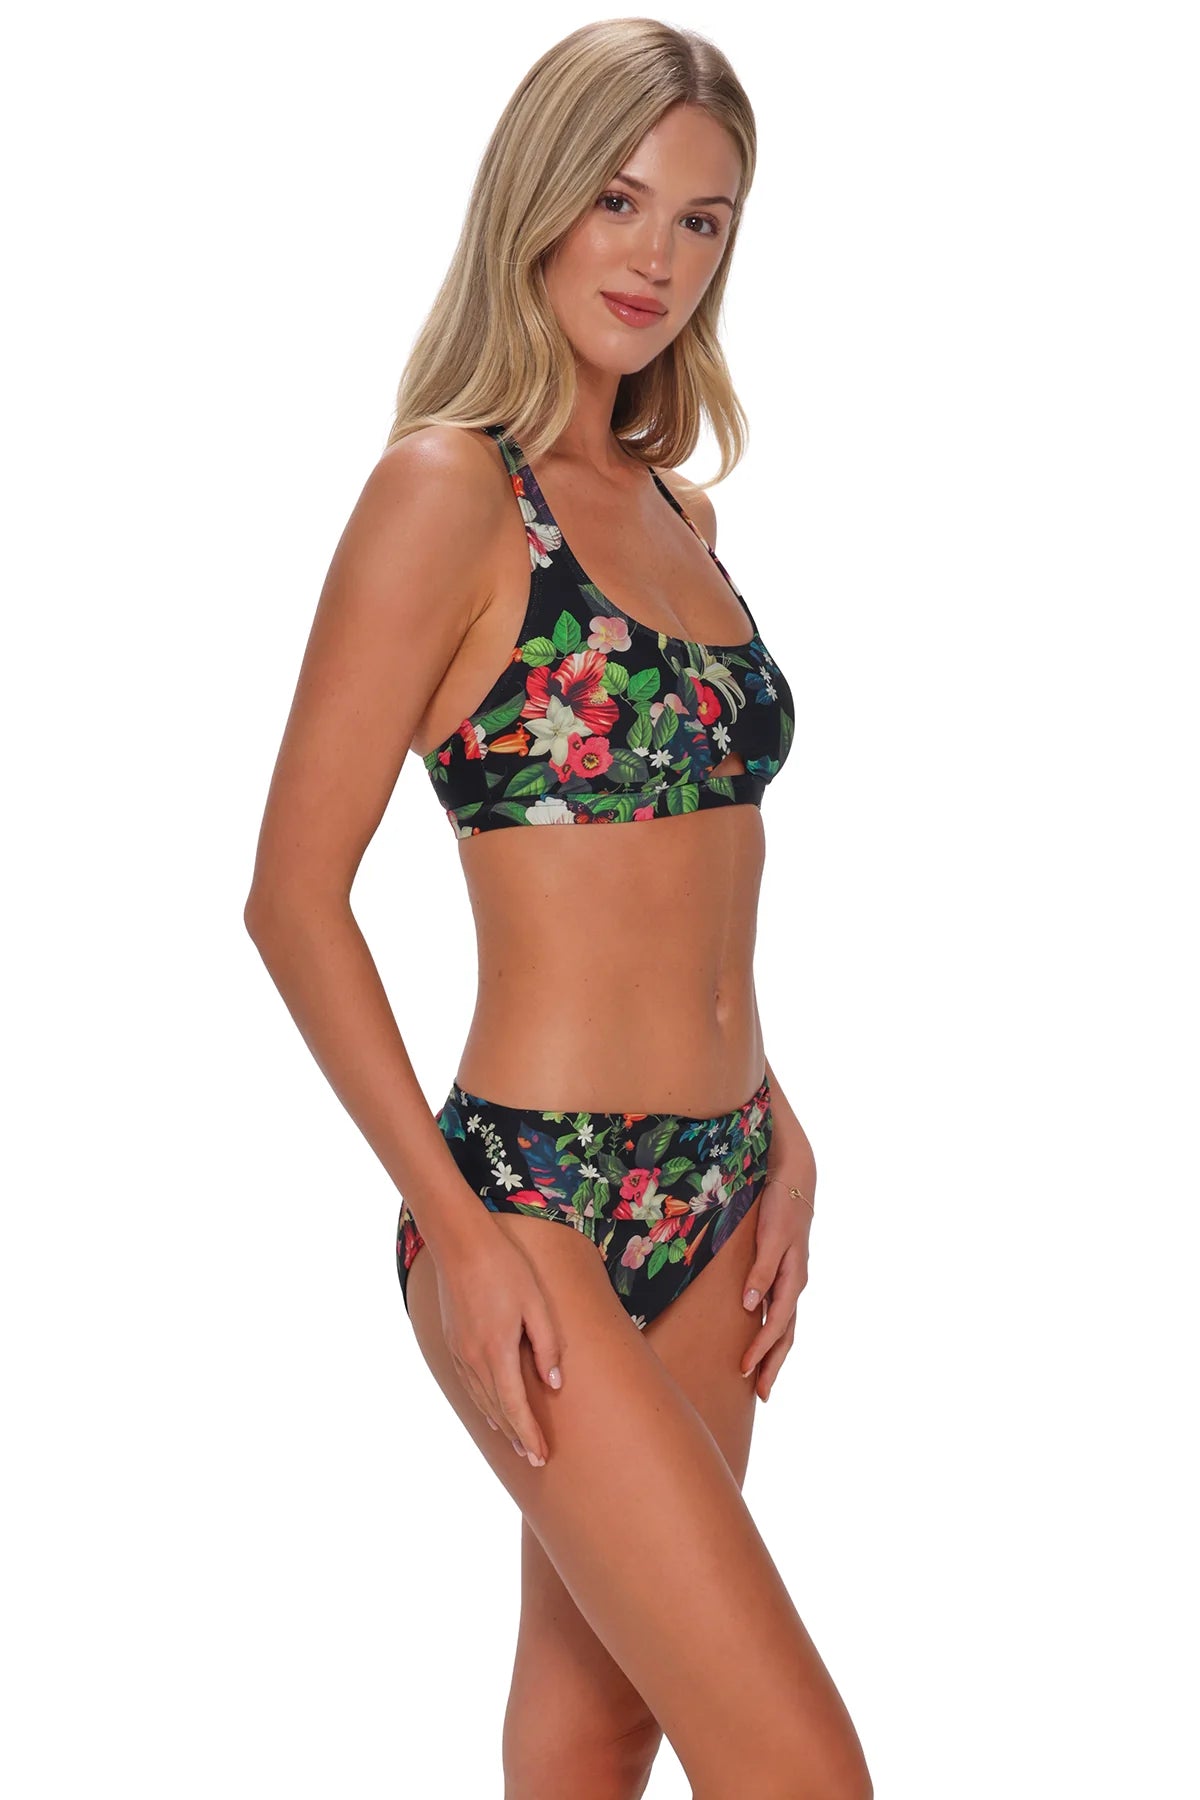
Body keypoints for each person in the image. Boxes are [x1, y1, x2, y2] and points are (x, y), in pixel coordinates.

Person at [245, 19, 872, 1799]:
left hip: (723, 1190)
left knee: (598, 1726)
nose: (657, 256)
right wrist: (457, 1230)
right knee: (803, 1770)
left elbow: (693, 881)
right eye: (618, 199)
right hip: (537, 1205)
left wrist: (780, 1121)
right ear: (536, 199)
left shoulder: (678, 509)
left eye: (703, 220)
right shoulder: (449, 492)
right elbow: (290, 897)